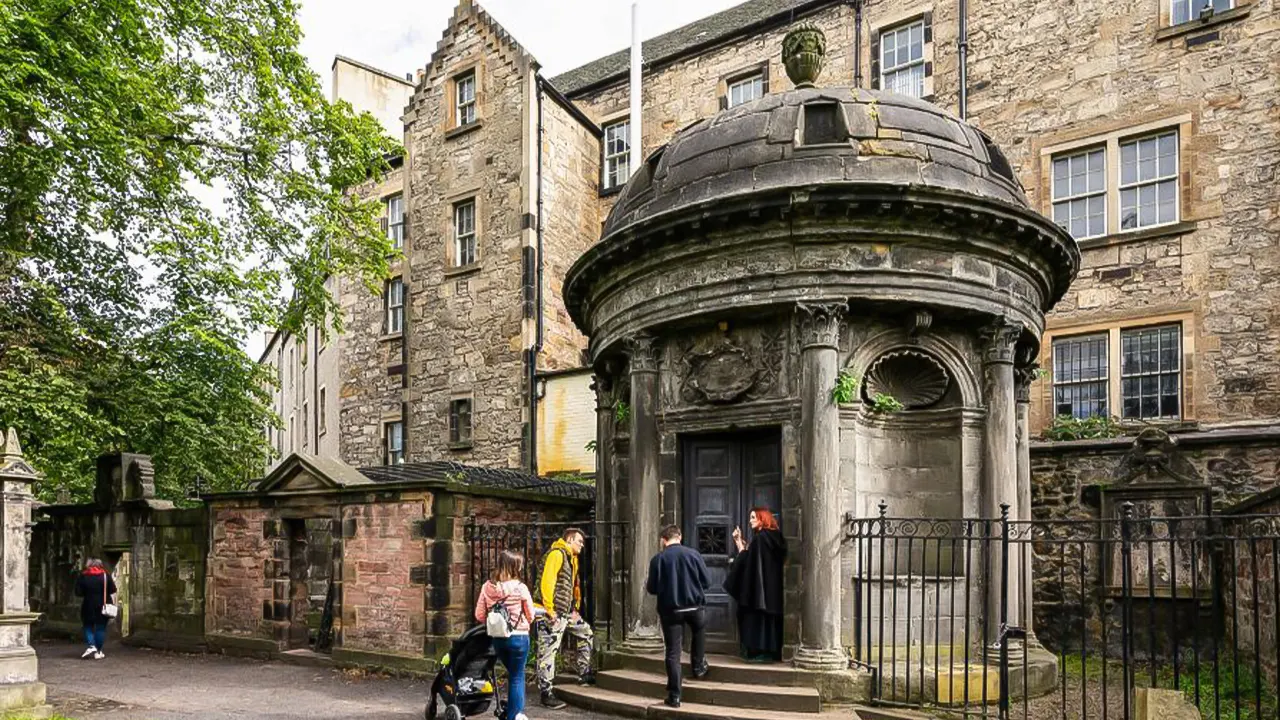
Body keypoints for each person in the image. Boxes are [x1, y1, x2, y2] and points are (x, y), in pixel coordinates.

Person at [645, 524, 711, 708]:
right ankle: (698, 666)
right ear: (679, 536)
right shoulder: (694, 554)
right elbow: (707, 581)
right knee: (699, 631)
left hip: (671, 611)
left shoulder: (658, 559)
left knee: (673, 652)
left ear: (663, 540)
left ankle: (675, 696)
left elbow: (651, 588)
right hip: (695, 607)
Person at [535, 528, 595, 709]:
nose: (582, 545)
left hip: (566, 612)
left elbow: (572, 587)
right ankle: (546, 692)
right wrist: (549, 609)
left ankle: (584, 673)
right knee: (548, 651)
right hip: (552, 612)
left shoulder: (571, 558)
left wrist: (574, 608)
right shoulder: (557, 554)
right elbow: (548, 581)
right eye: (579, 541)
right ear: (569, 540)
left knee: (586, 632)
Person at [474, 550, 537, 720]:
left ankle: (514, 712)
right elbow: (531, 615)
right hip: (519, 638)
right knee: (517, 676)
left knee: (515, 674)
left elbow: (479, 615)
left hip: (498, 639)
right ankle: (515, 715)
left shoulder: (487, 587)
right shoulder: (520, 588)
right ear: (515, 566)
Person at [725, 508, 786, 662]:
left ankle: (758, 652)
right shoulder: (775, 537)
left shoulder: (760, 539)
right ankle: (771, 652)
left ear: (762, 519)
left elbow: (748, 563)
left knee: (755, 619)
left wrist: (739, 543)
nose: (750, 520)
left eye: (753, 517)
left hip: (759, 590)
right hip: (772, 590)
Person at [74, 558, 117, 660]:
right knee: (100, 628)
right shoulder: (105, 576)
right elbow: (113, 589)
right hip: (103, 604)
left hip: (88, 605)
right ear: (100, 565)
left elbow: (78, 592)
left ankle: (91, 645)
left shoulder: (83, 576)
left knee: (88, 626)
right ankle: (98, 651)